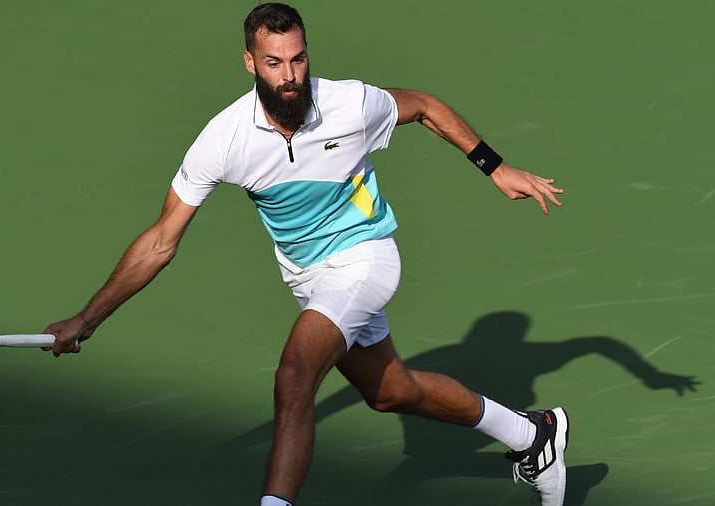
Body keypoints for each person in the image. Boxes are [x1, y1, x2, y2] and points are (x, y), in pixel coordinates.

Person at [43, 3, 568, 505]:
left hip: (365, 257)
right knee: (390, 392)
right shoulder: (222, 140)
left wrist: (494, 167)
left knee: (295, 375)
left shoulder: (348, 104)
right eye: (274, 63)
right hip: (308, 278)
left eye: (298, 59)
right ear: (250, 62)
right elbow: (161, 241)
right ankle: (532, 435)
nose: (290, 75)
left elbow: (424, 107)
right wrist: (89, 317)